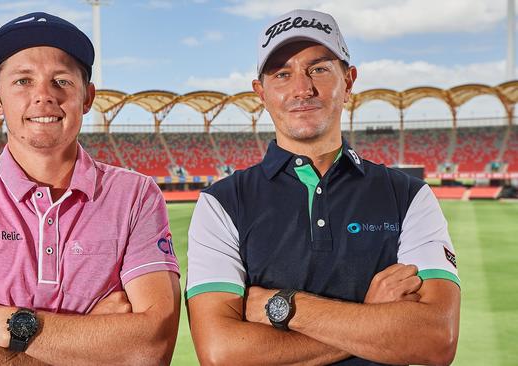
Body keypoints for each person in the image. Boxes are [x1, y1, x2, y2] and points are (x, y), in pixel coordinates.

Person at [0, 12, 180, 365]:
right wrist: (96, 343)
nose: (44, 96)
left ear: (88, 97)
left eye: (62, 81)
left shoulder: (136, 195)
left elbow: (151, 348)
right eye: (22, 81)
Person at [186, 9, 460, 366]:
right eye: (282, 74)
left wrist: (281, 307)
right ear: (261, 93)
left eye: (319, 69)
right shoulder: (221, 203)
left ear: (348, 82)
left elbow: (435, 339)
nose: (303, 89)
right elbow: (221, 353)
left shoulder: (409, 196)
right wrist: (370, 315)